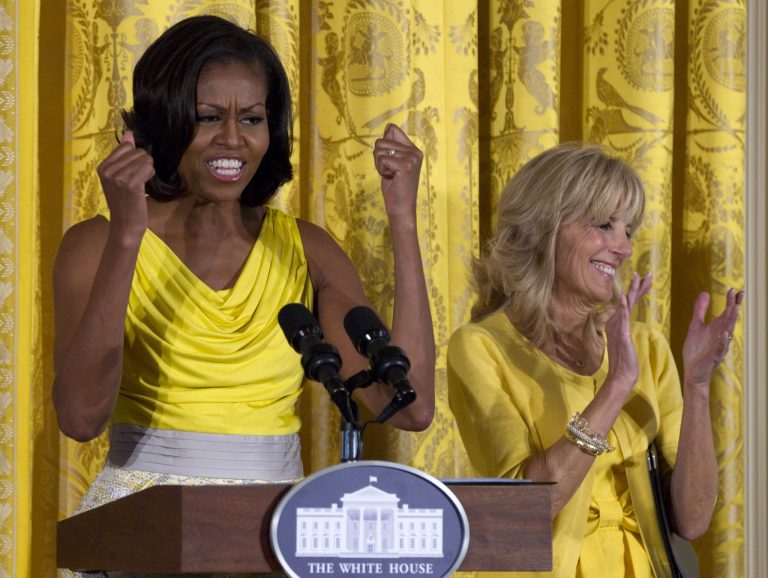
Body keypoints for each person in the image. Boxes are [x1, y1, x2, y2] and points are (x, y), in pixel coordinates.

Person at [52, 13, 435, 540]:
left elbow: (408, 408)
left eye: (252, 119)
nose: (232, 140)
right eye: (208, 117)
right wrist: (126, 235)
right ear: (163, 124)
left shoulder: (308, 250)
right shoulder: (94, 244)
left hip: (273, 536)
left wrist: (404, 220)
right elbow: (79, 418)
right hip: (144, 533)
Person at [447, 143, 743, 577]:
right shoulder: (480, 347)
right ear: (543, 227)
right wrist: (616, 385)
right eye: (605, 225)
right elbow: (523, 510)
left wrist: (698, 384)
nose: (622, 248)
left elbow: (692, 520)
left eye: (628, 230)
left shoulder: (648, 347)